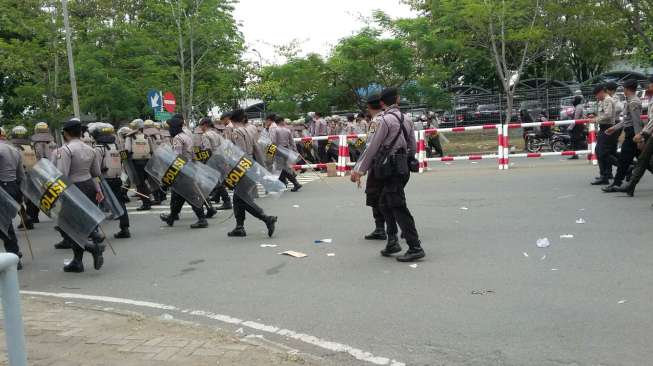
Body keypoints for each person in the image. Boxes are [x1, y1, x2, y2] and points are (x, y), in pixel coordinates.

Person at [350, 87, 425, 262]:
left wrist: (359, 170)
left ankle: (415, 246)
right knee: (385, 202)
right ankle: (392, 241)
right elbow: (412, 145)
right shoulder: (406, 119)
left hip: (389, 168)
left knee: (397, 205)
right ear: (397, 99)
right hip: (402, 166)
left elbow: (372, 147)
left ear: (382, 103)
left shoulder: (382, 121)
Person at [53, 118, 106, 273]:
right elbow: (96, 172)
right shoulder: (90, 149)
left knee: (65, 226)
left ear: (66, 133)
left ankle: (91, 248)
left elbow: (62, 174)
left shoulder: (66, 150)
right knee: (81, 223)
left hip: (73, 188)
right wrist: (98, 189)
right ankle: (78, 260)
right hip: (89, 185)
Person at [227, 109, 278, 238]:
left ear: (232, 119)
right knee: (238, 198)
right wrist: (261, 167)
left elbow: (240, 152)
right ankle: (239, 227)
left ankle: (266, 218)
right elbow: (256, 148)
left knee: (241, 198)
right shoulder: (248, 130)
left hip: (242, 166)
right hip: (250, 164)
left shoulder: (237, 132)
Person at [360, 93, 398, 242]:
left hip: (379, 164)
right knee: (393, 195)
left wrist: (359, 169)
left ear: (369, 106)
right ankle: (395, 229)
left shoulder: (377, 121)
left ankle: (381, 229)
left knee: (375, 195)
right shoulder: (396, 117)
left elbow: (370, 147)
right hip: (395, 163)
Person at [159, 115, 209, 229]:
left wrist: (171, 172)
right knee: (178, 196)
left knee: (189, 195)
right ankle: (171, 217)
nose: (169, 130)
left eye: (170, 127)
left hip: (182, 170)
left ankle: (202, 219)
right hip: (189, 167)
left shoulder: (177, 138)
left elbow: (178, 157)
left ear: (174, 128)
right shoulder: (186, 136)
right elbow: (193, 155)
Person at [91, 123, 131, 239]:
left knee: (95, 203)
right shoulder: (116, 146)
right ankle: (125, 228)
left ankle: (94, 232)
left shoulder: (99, 149)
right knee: (120, 203)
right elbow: (123, 162)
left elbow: (95, 167)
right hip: (117, 178)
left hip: (104, 180)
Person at [603, 79, 643, 192]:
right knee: (645, 162)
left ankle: (616, 183)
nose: (623, 90)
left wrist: (639, 138)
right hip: (632, 133)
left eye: (623, 88)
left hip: (633, 135)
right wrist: (614, 128)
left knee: (624, 161)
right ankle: (617, 183)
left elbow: (636, 122)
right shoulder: (630, 101)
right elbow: (626, 121)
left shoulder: (634, 102)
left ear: (626, 89)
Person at [617, 76, 653, 197]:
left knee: (642, 160)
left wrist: (641, 134)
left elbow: (637, 121)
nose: (648, 86)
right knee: (643, 160)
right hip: (649, 133)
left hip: (642, 133)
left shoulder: (634, 101)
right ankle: (630, 186)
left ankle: (628, 185)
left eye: (650, 84)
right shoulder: (649, 99)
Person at [0, 127, 25, 270]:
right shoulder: (14, 150)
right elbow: (21, 174)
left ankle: (14, 255)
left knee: (5, 226)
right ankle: (14, 253)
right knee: (6, 222)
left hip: (2, 187)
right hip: (13, 186)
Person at [197, 116, 231, 211]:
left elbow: (207, 150)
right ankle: (217, 197)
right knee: (218, 179)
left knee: (216, 181)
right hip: (220, 158)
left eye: (201, 125)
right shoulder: (216, 133)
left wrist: (204, 163)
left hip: (212, 159)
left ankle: (226, 200)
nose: (200, 127)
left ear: (205, 125)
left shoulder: (205, 135)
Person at [10, 126, 38, 230]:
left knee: (17, 199)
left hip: (20, 175)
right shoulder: (30, 146)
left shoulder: (15, 148)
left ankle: (26, 218)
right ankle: (29, 218)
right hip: (32, 173)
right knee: (28, 198)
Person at [590, 84, 617, 185]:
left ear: (601, 92)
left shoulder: (607, 100)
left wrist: (595, 120)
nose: (596, 97)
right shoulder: (603, 100)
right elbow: (603, 114)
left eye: (597, 95)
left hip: (608, 128)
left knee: (603, 153)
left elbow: (608, 115)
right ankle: (604, 175)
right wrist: (596, 116)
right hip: (604, 128)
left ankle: (625, 167)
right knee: (600, 152)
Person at [125, 119, 153, 210]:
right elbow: (152, 150)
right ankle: (149, 199)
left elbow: (127, 150)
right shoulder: (147, 136)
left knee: (140, 184)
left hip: (136, 162)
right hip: (147, 161)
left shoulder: (129, 137)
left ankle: (146, 203)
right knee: (145, 182)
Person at [272, 117, 303, 192]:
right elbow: (292, 142)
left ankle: (295, 183)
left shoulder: (276, 130)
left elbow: (273, 141)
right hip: (286, 149)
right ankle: (283, 183)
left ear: (277, 123)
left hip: (278, 149)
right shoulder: (287, 130)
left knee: (283, 168)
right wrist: (295, 151)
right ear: (282, 122)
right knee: (283, 167)